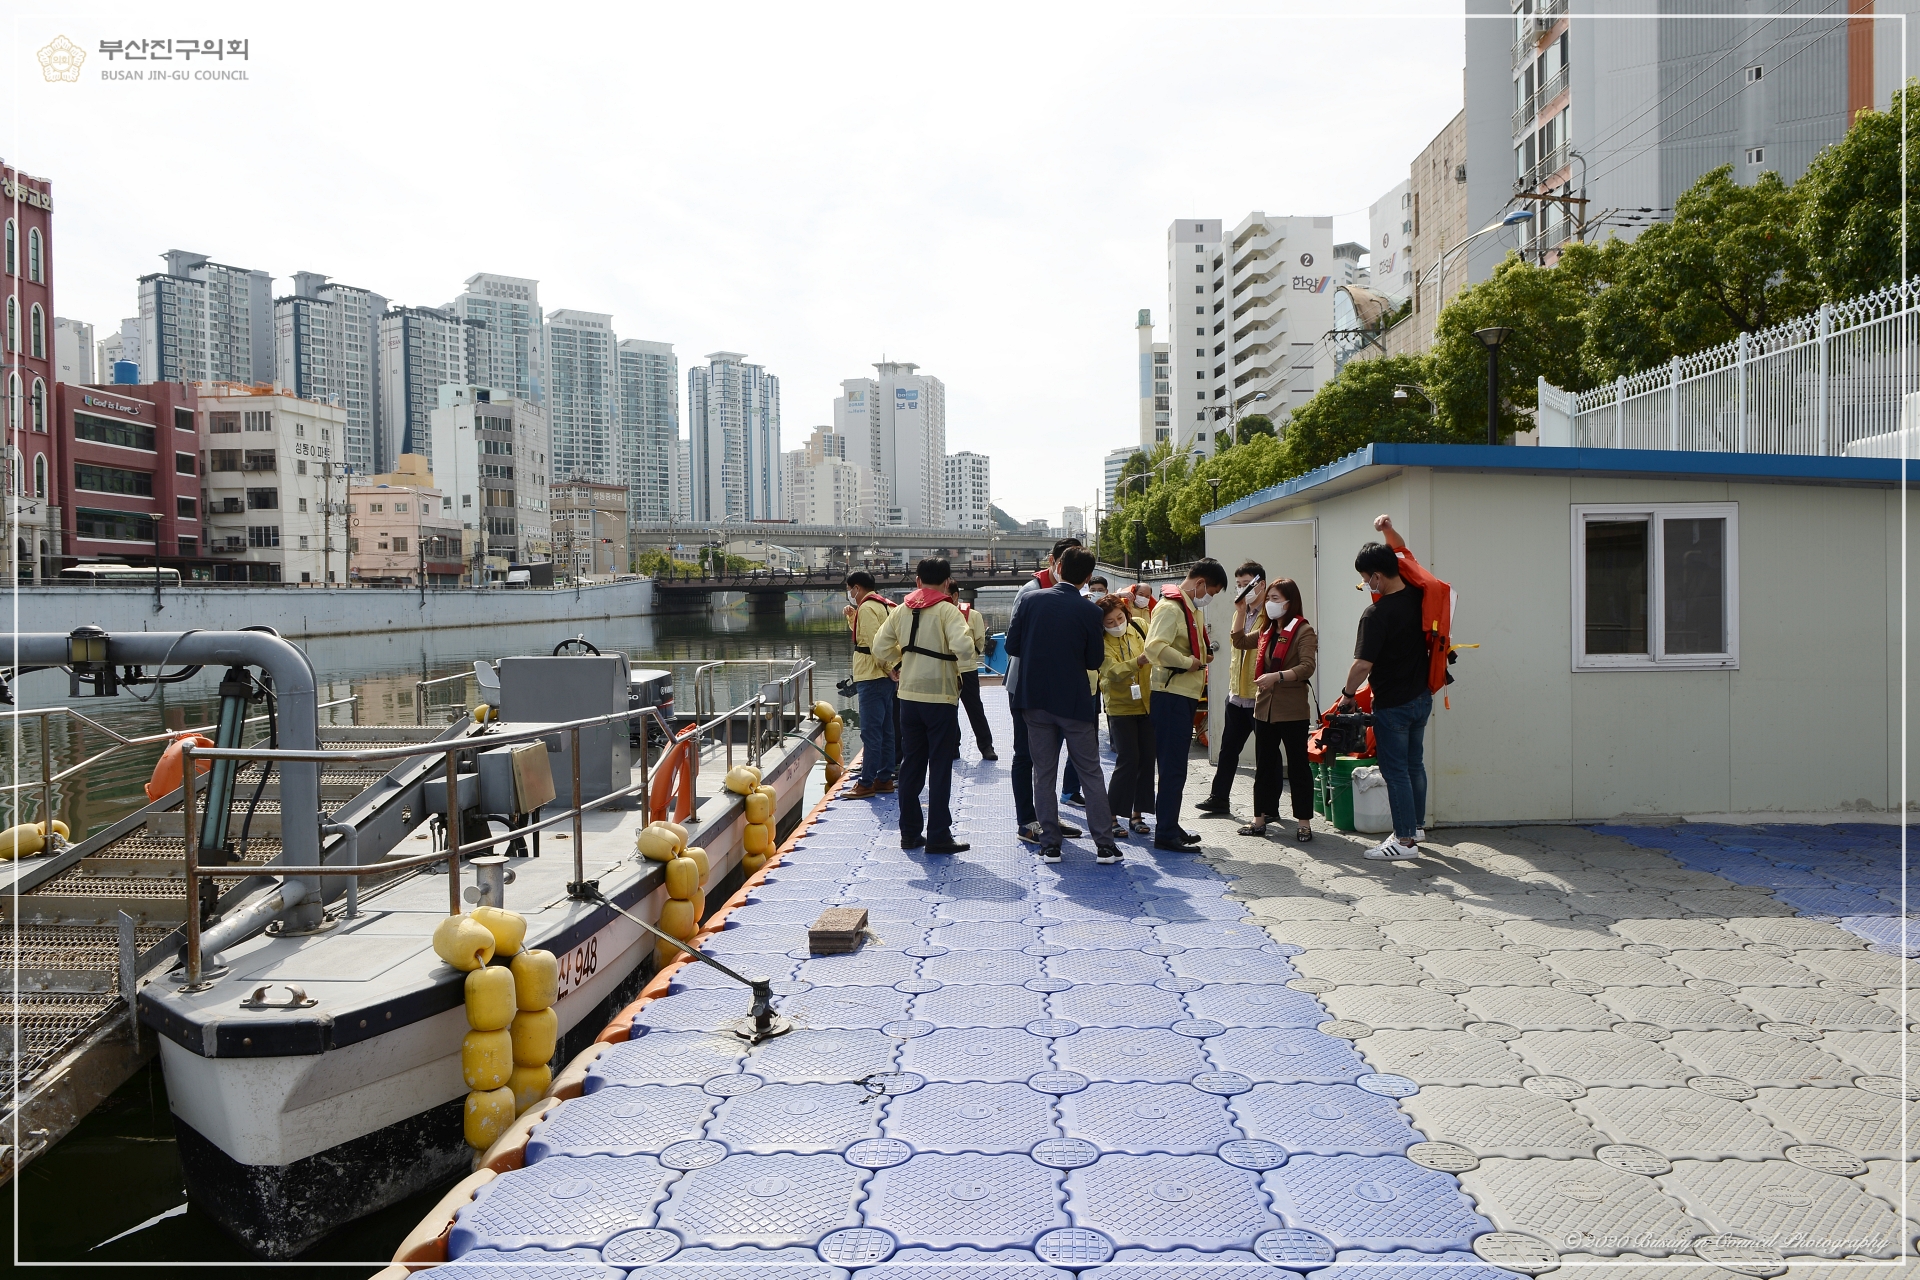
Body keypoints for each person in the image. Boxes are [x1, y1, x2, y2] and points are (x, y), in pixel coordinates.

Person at [1003, 546, 1124, 864]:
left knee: (1043, 772)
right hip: (1073, 702)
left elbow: (1013, 645)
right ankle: (1105, 845)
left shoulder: (1030, 600)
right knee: (1090, 772)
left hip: (1035, 699)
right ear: (1086, 577)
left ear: (1058, 568)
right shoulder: (1090, 612)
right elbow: (1094, 660)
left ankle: (1050, 844)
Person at [869, 557, 976, 853]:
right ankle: (939, 834)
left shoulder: (901, 610)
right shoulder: (947, 610)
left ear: (917, 581)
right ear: (946, 582)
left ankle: (910, 833)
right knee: (940, 765)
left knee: (912, 765)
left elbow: (878, 647)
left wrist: (894, 663)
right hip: (940, 696)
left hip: (908, 696)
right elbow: (965, 648)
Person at [1337, 517, 1429, 860]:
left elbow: (1362, 665)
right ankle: (1416, 826)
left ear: (1376, 575)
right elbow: (1402, 550)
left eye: (1365, 579)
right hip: (1422, 697)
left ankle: (1404, 842)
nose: (1366, 585)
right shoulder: (1418, 597)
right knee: (1414, 764)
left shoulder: (1375, 614)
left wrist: (1347, 694)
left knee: (1395, 771)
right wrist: (1387, 531)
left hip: (1393, 704)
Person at [1143, 558, 1228, 850]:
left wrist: (1201, 657)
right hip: (1171, 695)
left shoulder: (1188, 609)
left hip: (1183, 695)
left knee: (1176, 766)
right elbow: (1154, 648)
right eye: (1211, 592)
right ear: (1200, 583)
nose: (1210, 598)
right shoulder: (1170, 608)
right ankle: (1165, 831)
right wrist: (1188, 662)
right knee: (1172, 766)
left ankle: (1170, 823)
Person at [1006, 537, 1085, 843]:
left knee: (1049, 755)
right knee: (1025, 753)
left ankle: (1048, 817)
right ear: (1054, 561)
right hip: (1025, 685)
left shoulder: (1077, 592)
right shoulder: (1031, 591)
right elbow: (1016, 643)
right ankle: (1027, 821)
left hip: (1057, 687)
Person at [1231, 577, 1318, 841]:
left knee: (1298, 767)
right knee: (1265, 766)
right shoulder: (1267, 631)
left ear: (1290, 602)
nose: (1270, 604)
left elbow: (1307, 667)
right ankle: (1259, 819)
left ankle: (1304, 823)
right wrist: (1240, 612)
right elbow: (1239, 641)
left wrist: (1277, 676)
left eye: (1275, 599)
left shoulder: (1303, 631)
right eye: (1268, 599)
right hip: (1264, 709)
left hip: (1292, 710)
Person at [1196, 561, 1265, 816]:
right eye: (1238, 585)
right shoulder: (1241, 612)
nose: (1241, 590)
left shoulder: (1269, 615)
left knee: (1266, 755)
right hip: (1236, 694)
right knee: (1228, 750)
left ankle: (1269, 808)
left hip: (1260, 695)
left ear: (1260, 585)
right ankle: (1219, 798)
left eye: (1246, 585)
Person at [1097, 593, 1154, 837]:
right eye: (1109, 622)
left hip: (1148, 703)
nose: (1117, 624)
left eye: (1120, 618)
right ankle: (1111, 815)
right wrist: (1137, 662)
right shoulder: (1099, 641)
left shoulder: (1140, 627)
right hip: (1120, 707)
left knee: (1147, 760)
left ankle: (1137, 814)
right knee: (1127, 760)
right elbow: (1111, 671)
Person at [842, 570, 896, 799]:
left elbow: (874, 645)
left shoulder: (866, 607)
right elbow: (875, 637)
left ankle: (865, 783)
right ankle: (884, 778)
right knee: (886, 731)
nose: (850, 594)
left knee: (871, 733)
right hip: (883, 678)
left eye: (850, 589)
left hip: (871, 676)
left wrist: (888, 668)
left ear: (857, 587)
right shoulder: (885, 606)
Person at [950, 584, 997, 760]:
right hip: (946, 669)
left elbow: (979, 640)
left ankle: (986, 746)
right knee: (949, 709)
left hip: (967, 669)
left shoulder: (972, 615)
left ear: (955, 596)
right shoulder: (938, 613)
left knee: (974, 708)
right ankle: (953, 747)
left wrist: (970, 657)